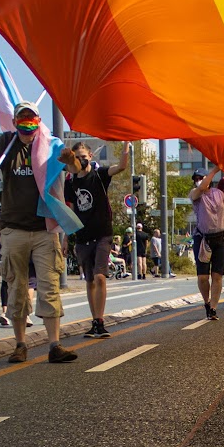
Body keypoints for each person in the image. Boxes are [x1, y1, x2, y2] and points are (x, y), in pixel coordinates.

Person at [0, 103, 78, 364]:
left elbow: (76, 169)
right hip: (13, 228)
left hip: (44, 228)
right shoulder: (7, 143)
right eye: (22, 118)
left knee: (49, 287)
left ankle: (54, 345)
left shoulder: (50, 144)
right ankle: (20, 344)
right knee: (16, 289)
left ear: (38, 120)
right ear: (15, 120)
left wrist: (71, 160)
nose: (27, 123)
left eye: (31, 119)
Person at [61, 141, 126, 339]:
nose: (81, 159)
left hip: (102, 234)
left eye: (84, 156)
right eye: (77, 157)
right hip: (82, 236)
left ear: (91, 155)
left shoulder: (99, 175)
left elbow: (121, 166)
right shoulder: (70, 182)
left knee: (100, 276)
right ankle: (94, 322)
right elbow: (70, 212)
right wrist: (65, 238)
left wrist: (126, 145)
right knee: (89, 281)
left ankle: (100, 321)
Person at [189, 170, 224, 320]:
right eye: (196, 179)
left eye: (200, 178)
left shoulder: (218, 193)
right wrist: (216, 169)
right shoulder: (195, 194)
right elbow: (202, 188)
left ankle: (213, 308)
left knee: (217, 275)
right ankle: (206, 302)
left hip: (223, 237)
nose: (198, 181)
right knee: (203, 277)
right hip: (203, 239)